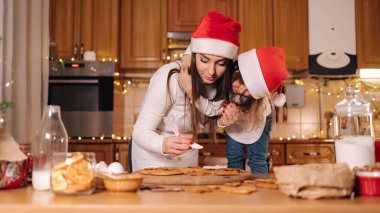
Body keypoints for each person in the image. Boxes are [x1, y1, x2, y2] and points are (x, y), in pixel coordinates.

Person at [131, 10, 241, 172]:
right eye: (204, 60)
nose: (211, 71)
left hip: (187, 157)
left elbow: (201, 120)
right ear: (194, 56)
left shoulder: (218, 82)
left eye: (220, 63)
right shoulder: (170, 78)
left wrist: (221, 122)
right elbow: (139, 132)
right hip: (153, 159)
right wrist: (163, 144)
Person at [179, 47, 288, 173]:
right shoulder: (222, 72)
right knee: (234, 156)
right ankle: (235, 187)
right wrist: (186, 69)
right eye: (240, 81)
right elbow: (196, 45)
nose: (240, 90)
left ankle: (260, 189)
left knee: (257, 158)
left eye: (248, 90)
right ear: (236, 70)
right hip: (234, 122)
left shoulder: (260, 104)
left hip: (259, 118)